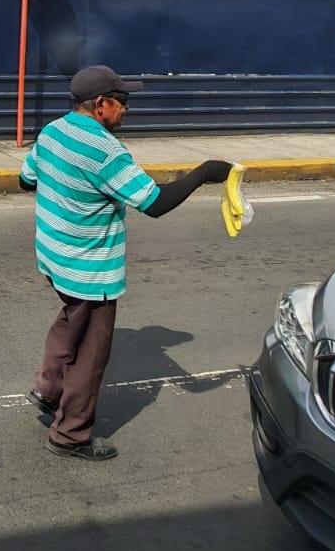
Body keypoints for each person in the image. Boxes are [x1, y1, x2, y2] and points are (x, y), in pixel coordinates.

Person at [19, 66, 230, 462]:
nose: (127, 109)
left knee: (72, 318)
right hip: (90, 267)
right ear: (101, 104)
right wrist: (205, 173)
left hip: (53, 255)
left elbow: (26, 180)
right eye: (123, 101)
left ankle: (48, 388)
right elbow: (155, 203)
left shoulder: (51, 132)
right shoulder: (106, 151)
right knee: (91, 353)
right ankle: (70, 434)